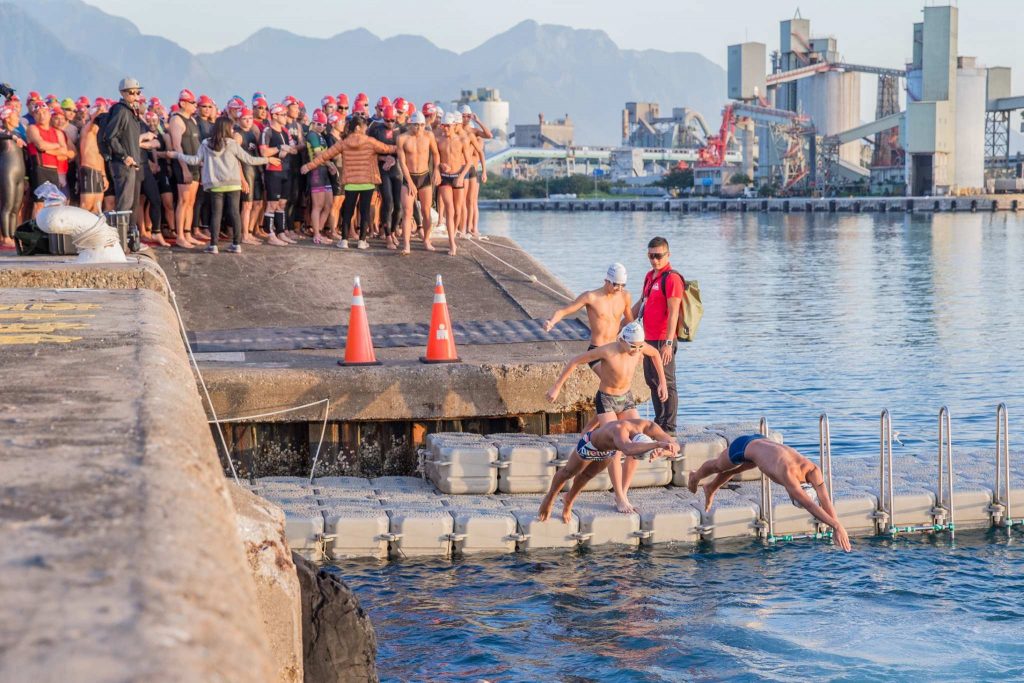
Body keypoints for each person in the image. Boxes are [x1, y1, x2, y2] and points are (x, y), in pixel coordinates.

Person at [546, 321, 667, 514]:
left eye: (639, 346)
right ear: (621, 340)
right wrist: (557, 387)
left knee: (636, 443)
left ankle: (624, 491)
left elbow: (655, 355)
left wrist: (663, 383)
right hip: (607, 399)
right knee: (616, 446)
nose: (637, 350)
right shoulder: (607, 351)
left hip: (626, 398)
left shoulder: (640, 347)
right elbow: (575, 361)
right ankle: (619, 496)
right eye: (633, 346)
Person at [687, 436, 852, 552]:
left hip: (762, 443)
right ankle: (695, 476)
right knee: (719, 466)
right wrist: (836, 526)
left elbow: (824, 498)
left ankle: (711, 488)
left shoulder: (813, 470)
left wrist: (839, 527)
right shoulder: (789, 475)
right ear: (797, 492)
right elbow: (810, 504)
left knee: (742, 466)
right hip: (744, 445)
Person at [171, 115, 279, 254]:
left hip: (215, 184)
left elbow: (195, 160)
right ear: (228, 128)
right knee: (234, 212)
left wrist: (176, 155)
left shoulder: (206, 143)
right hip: (233, 184)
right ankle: (236, 244)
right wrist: (268, 159)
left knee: (216, 213)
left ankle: (213, 246)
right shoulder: (232, 144)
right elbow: (249, 159)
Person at [538, 418, 678, 523]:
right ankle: (550, 497)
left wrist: (661, 451)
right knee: (568, 472)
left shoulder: (649, 426)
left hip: (608, 451)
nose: (633, 457)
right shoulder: (620, 429)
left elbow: (676, 446)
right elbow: (628, 449)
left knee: (586, 476)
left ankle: (569, 499)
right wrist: (658, 444)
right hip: (590, 445)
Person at [301, 114, 396, 250]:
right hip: (367, 182)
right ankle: (362, 241)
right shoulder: (370, 141)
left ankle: (344, 240)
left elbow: (324, 156)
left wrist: (308, 166)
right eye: (364, 127)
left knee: (347, 211)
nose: (365, 129)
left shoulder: (343, 142)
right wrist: (403, 145)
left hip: (350, 183)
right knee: (364, 212)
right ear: (358, 127)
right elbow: (389, 148)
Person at [633, 236, 683, 435]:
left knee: (667, 382)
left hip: (664, 338)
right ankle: (659, 421)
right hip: (647, 338)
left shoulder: (672, 279)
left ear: (667, 255)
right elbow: (641, 303)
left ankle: (669, 427)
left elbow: (674, 312)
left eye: (659, 256)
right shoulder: (649, 276)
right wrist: (621, 324)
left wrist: (669, 343)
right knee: (652, 381)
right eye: (651, 256)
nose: (655, 260)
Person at [544, 263, 634, 365]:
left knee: (617, 380)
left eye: (623, 285)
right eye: (616, 284)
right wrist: (551, 322)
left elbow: (630, 321)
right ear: (606, 281)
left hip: (614, 347)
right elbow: (563, 311)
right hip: (597, 349)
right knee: (609, 379)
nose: (620, 289)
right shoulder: (591, 297)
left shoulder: (625, 296)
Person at [397, 110, 440, 255]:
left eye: (422, 125)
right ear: (411, 124)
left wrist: (436, 171)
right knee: (407, 212)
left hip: (424, 177)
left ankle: (426, 240)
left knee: (426, 212)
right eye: (416, 125)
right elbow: (402, 163)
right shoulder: (402, 138)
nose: (419, 128)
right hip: (409, 177)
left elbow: (436, 153)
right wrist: (409, 181)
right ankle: (407, 245)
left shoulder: (429, 136)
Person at [101, 77, 144, 218]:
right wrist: (124, 156)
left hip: (131, 163)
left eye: (138, 93)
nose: (136, 96)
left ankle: (126, 235)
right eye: (132, 92)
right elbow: (110, 136)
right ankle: (119, 236)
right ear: (123, 93)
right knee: (124, 204)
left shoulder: (131, 111)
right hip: (122, 163)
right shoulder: (121, 110)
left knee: (131, 203)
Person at [259, 102, 298, 246]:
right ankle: (270, 234)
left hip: (286, 170)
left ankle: (281, 232)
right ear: (274, 115)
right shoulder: (267, 131)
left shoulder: (285, 130)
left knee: (282, 203)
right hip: (273, 171)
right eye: (283, 115)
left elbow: (294, 149)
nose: (285, 117)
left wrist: (287, 149)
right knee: (272, 204)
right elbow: (263, 152)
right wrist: (279, 148)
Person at [168, 89, 203, 247]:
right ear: (183, 103)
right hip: (184, 165)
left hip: (195, 164)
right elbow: (177, 147)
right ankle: (180, 236)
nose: (195, 105)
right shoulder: (176, 120)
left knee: (191, 201)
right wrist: (185, 169)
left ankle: (188, 233)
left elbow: (196, 145)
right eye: (192, 103)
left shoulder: (193, 120)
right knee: (183, 201)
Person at [26, 102, 74, 215]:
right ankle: (36, 231)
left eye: (44, 112)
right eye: (37, 113)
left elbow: (64, 151)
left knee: (54, 203)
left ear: (49, 114)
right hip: (39, 169)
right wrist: (56, 146)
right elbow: (40, 145)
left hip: (54, 171)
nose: (41, 115)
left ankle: (49, 231)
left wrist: (47, 150)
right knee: (40, 204)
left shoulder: (58, 132)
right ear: (34, 116)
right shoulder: (32, 128)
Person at [367, 104, 403, 249]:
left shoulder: (402, 129)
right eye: (387, 120)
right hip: (383, 169)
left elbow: (406, 150)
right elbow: (369, 151)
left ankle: (392, 231)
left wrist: (395, 159)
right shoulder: (375, 129)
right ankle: (387, 235)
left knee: (399, 205)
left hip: (397, 168)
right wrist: (383, 159)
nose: (390, 123)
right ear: (383, 119)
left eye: (393, 120)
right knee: (388, 201)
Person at [435, 112, 468, 255]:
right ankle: (452, 243)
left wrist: (461, 176)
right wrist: (440, 166)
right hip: (444, 177)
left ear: (454, 125)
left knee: (458, 210)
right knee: (450, 208)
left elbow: (468, 163)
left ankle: (453, 233)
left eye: (448, 126)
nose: (445, 128)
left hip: (457, 176)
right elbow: (435, 160)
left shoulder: (462, 140)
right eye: (443, 125)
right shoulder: (439, 140)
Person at [234, 108, 263, 245]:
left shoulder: (252, 132)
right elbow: (236, 158)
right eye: (245, 118)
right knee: (247, 205)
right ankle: (244, 234)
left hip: (254, 170)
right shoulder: (237, 135)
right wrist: (242, 178)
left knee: (258, 203)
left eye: (250, 118)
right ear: (239, 120)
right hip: (245, 171)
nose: (248, 121)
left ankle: (249, 232)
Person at [304, 109, 333, 244]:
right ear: (313, 123)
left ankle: (319, 231)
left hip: (324, 172)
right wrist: (330, 164)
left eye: (323, 124)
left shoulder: (321, 136)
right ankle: (316, 234)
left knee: (328, 205)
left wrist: (328, 166)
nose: (321, 126)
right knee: (318, 205)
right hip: (316, 171)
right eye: (318, 123)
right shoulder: (312, 135)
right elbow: (318, 155)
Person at [0, 105, 26, 249]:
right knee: (7, 205)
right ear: (7, 117)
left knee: (16, 207)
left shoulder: (18, 134)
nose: (18, 118)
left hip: (20, 173)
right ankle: (5, 237)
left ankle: (13, 235)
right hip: (7, 171)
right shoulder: (4, 133)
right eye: (15, 115)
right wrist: (12, 136)